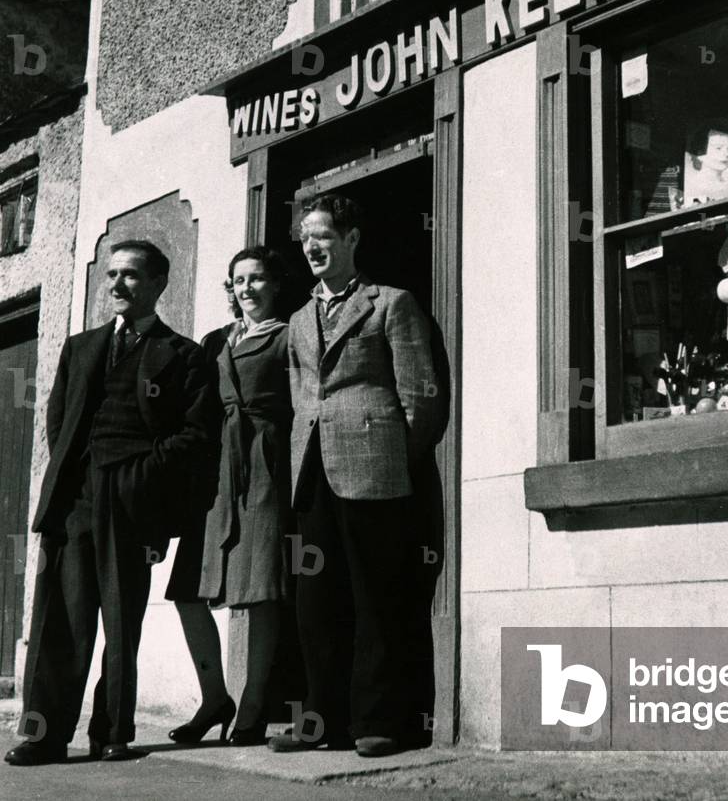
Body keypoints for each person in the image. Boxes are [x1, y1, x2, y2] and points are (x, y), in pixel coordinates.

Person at [5, 240, 213, 766]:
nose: (117, 285)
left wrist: (139, 477)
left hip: (133, 504)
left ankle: (112, 733)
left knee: (122, 621)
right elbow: (58, 420)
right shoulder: (80, 348)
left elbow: (196, 435)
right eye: (113, 274)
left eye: (132, 276)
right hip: (75, 500)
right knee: (61, 621)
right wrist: (76, 479)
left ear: (158, 284)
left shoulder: (184, 355)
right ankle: (45, 735)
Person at [268, 194, 439, 758]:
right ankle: (320, 720)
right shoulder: (296, 320)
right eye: (305, 239)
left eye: (322, 236)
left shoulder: (391, 303)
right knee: (315, 602)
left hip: (375, 469)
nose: (312, 247)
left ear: (351, 239)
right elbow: (300, 398)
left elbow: (421, 398)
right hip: (312, 469)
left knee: (376, 598)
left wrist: (393, 458)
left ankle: (376, 719)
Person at [164, 247, 293, 746]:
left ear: (275, 284)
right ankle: (215, 697)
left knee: (261, 589)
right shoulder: (214, 341)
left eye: (258, 279)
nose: (247, 289)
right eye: (239, 280)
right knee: (188, 592)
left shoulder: (289, 335)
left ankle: (254, 703)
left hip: (265, 464)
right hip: (215, 471)